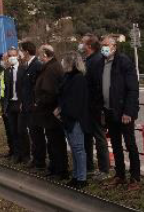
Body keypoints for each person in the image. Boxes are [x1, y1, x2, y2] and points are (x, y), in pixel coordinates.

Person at [99, 35, 140, 189]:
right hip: (109, 112)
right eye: (102, 44)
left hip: (124, 112)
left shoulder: (123, 61)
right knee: (115, 145)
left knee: (130, 145)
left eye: (106, 45)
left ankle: (135, 178)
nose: (104, 47)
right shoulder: (102, 63)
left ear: (114, 46)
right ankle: (120, 175)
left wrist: (128, 112)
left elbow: (132, 89)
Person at [34, 45, 68, 180]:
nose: (39, 57)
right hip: (48, 111)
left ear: (45, 54)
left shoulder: (52, 69)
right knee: (52, 142)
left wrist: (40, 102)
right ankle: (54, 167)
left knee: (56, 142)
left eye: (40, 54)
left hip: (52, 112)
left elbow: (51, 92)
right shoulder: (49, 67)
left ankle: (60, 170)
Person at [57, 51, 90, 189]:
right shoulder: (68, 76)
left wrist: (64, 111)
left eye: (64, 61)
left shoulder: (78, 78)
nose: (62, 63)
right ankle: (76, 176)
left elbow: (76, 101)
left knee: (78, 149)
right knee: (74, 149)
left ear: (70, 62)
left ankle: (82, 178)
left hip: (75, 119)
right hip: (67, 117)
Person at [82, 34, 110, 180]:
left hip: (96, 106)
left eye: (83, 43)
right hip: (88, 106)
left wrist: (99, 106)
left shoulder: (97, 60)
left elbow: (99, 85)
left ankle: (104, 169)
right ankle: (90, 167)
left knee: (99, 138)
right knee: (88, 136)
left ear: (89, 46)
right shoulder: (90, 60)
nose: (81, 46)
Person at [19, 41, 45, 170]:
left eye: (21, 51)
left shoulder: (37, 65)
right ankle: (36, 159)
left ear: (27, 51)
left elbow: (37, 87)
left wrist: (35, 103)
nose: (20, 54)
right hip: (27, 106)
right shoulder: (28, 65)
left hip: (34, 107)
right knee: (33, 135)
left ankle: (40, 161)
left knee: (37, 135)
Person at [2, 48, 29, 163]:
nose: (12, 57)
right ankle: (16, 154)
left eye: (14, 55)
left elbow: (26, 88)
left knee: (21, 130)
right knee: (13, 130)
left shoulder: (23, 69)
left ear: (18, 56)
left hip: (21, 104)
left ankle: (26, 155)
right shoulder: (7, 71)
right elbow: (6, 90)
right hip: (11, 104)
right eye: (10, 56)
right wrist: (4, 106)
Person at [0, 51, 15, 157]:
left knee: (12, 129)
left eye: (4, 59)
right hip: (4, 102)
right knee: (8, 129)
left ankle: (15, 151)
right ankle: (11, 150)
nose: (2, 61)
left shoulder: (12, 72)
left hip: (9, 104)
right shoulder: (4, 71)